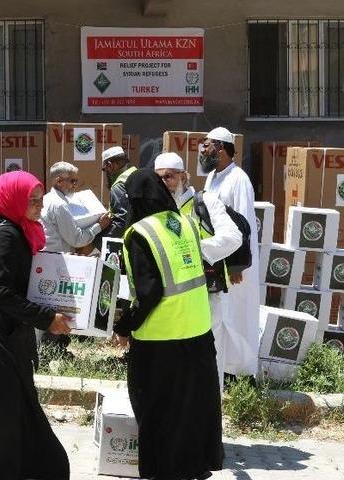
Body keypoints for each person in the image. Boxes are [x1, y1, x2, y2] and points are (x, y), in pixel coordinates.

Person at [113, 169, 224, 480]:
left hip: (160, 337)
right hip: (198, 331)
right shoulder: (185, 223)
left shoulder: (139, 233)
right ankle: (195, 465)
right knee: (193, 404)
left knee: (156, 407)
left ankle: (164, 470)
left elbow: (149, 292)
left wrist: (124, 327)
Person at [0, 171, 72, 480]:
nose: (39, 206)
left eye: (40, 199)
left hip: (7, 328)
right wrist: (46, 319)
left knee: (19, 403)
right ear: (13, 200)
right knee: (2, 411)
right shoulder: (5, 235)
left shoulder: (16, 230)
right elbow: (1, 291)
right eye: (32, 200)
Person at [154, 151, 243, 391]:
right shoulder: (156, 208)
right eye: (159, 178)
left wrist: (192, 251)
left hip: (205, 292)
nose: (164, 183)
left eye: (169, 177)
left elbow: (233, 237)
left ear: (184, 176)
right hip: (171, 295)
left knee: (207, 354)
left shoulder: (205, 203)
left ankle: (209, 407)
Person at [201, 127, 260, 380]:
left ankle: (241, 372)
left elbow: (244, 223)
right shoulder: (212, 177)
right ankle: (223, 369)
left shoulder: (239, 179)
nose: (202, 150)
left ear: (221, 148)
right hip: (217, 260)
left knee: (236, 314)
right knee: (219, 316)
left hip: (235, 265)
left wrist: (237, 266)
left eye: (206, 145)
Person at [41, 161, 110, 253]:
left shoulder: (47, 198)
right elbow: (76, 240)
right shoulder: (59, 205)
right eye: (72, 181)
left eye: (76, 181)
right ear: (59, 181)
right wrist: (100, 226)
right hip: (56, 258)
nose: (75, 185)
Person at [92, 146, 136, 248]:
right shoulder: (136, 175)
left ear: (110, 165)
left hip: (129, 242)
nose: (106, 172)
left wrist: (97, 243)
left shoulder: (119, 185)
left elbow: (121, 223)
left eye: (104, 169)